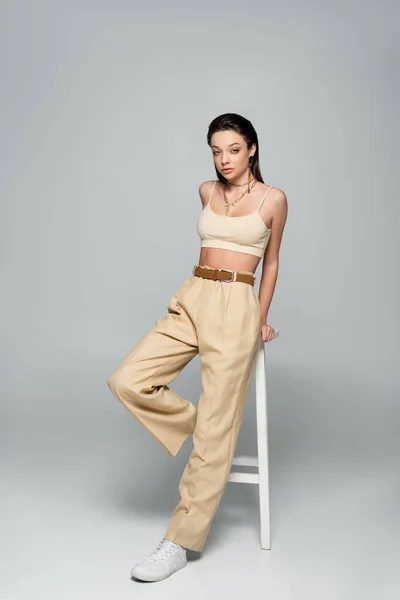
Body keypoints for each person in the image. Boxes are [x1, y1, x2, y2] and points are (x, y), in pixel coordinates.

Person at [106, 112, 288, 582]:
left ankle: (180, 542)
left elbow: (270, 264)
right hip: (194, 295)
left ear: (252, 149)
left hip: (237, 304)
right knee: (129, 380)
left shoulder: (273, 199)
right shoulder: (206, 192)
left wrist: (260, 318)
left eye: (232, 149)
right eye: (215, 150)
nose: (223, 159)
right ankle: (202, 429)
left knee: (216, 429)